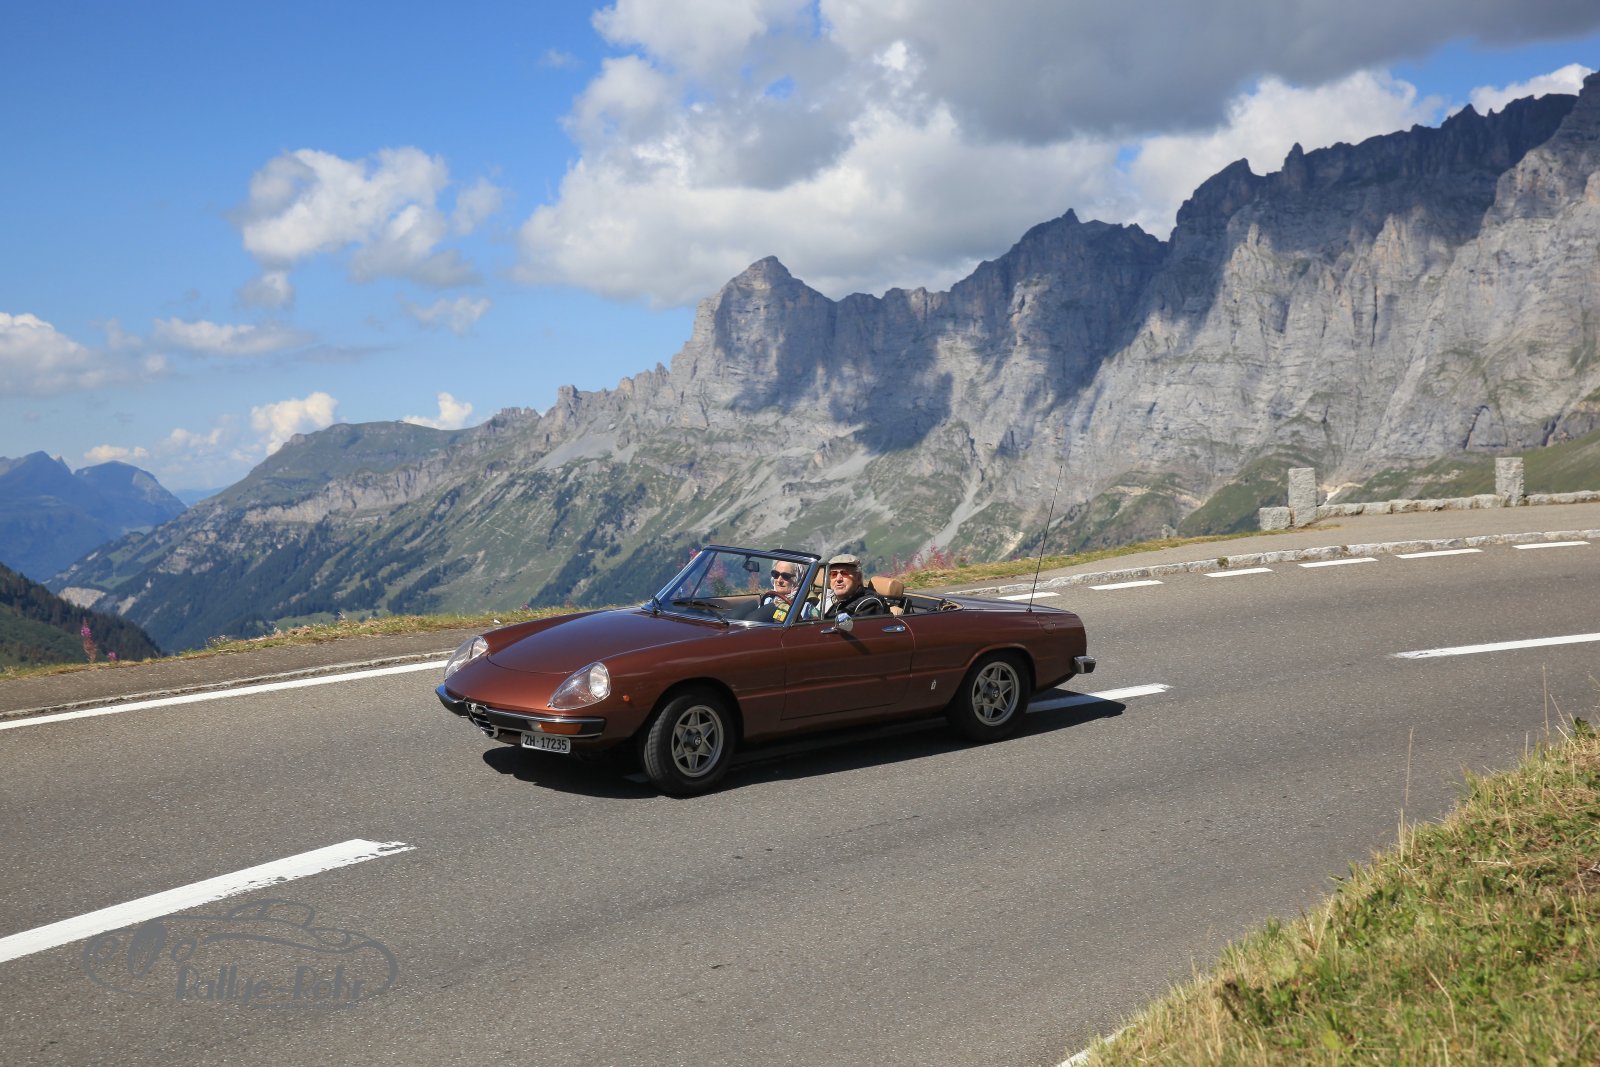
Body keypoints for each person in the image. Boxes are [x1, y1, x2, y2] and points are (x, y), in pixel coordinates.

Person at [818, 553, 887, 619]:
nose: (838, 579)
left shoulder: (869, 603)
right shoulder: (835, 602)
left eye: (844, 573)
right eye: (834, 574)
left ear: (858, 578)